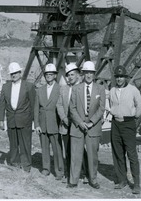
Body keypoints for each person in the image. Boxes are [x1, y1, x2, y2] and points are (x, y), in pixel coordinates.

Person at [68, 61, 106, 189]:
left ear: (94, 74)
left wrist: (91, 122)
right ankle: (73, 180)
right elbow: (72, 108)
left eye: (91, 72)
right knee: (76, 154)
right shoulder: (76, 88)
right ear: (83, 74)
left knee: (92, 155)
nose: (88, 75)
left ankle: (93, 179)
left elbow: (101, 108)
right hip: (78, 126)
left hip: (93, 127)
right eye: (86, 72)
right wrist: (80, 122)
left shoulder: (100, 89)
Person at [109, 65, 141, 195]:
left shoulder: (133, 90)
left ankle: (136, 184)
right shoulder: (112, 90)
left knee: (131, 154)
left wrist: (133, 116)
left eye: (122, 77)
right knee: (118, 153)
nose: (119, 79)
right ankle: (122, 180)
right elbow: (110, 105)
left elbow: (140, 106)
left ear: (126, 77)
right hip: (115, 123)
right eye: (117, 77)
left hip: (128, 124)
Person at [0, 62, 35, 172]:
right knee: (13, 144)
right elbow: (2, 104)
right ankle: (14, 164)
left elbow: (33, 105)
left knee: (25, 144)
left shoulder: (28, 86)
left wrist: (33, 121)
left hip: (25, 121)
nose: (14, 75)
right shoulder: (6, 87)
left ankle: (26, 166)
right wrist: (1, 120)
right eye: (12, 73)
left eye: (16, 73)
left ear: (20, 72)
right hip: (11, 120)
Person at [34, 63, 64, 180]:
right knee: (44, 148)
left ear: (55, 75)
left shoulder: (60, 89)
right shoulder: (40, 90)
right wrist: (36, 124)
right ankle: (46, 169)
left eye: (51, 74)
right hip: (42, 124)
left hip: (54, 124)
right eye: (47, 74)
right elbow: (36, 109)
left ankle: (59, 171)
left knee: (57, 149)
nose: (49, 76)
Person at [56, 63, 81, 182]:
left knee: (80, 151)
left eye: (72, 74)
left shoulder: (81, 88)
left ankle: (82, 172)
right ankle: (69, 173)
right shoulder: (64, 89)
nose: (70, 77)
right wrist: (64, 119)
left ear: (77, 75)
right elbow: (59, 104)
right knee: (68, 150)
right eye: (68, 75)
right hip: (66, 125)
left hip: (78, 126)